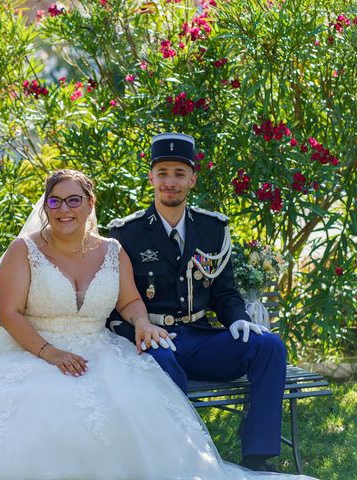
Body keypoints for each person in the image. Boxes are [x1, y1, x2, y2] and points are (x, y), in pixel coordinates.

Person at [0, 169, 312, 480]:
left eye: (74, 200)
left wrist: (142, 324)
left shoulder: (112, 250)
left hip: (100, 348)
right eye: (55, 201)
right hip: (34, 351)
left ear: (90, 203)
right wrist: (50, 354)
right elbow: (10, 314)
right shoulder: (24, 250)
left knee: (131, 404)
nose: (64, 209)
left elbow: (131, 300)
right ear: (46, 205)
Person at [107, 133, 288, 472]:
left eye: (178, 173)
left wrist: (236, 318)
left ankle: (258, 456)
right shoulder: (126, 233)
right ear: (151, 178)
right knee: (163, 366)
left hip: (199, 337)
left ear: (192, 178)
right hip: (152, 339)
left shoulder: (212, 227)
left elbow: (224, 291)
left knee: (269, 347)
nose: (170, 182)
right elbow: (117, 299)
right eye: (162, 173)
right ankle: (180, 457)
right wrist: (138, 328)